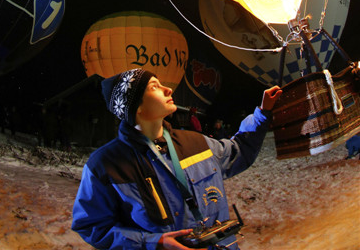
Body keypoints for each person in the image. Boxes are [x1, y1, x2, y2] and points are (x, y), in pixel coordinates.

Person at [72, 68, 282, 250]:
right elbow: (91, 226)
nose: (168, 89)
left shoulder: (196, 143)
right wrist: (154, 243)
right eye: (154, 86)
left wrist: (263, 113)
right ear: (136, 107)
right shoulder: (104, 165)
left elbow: (238, 151)